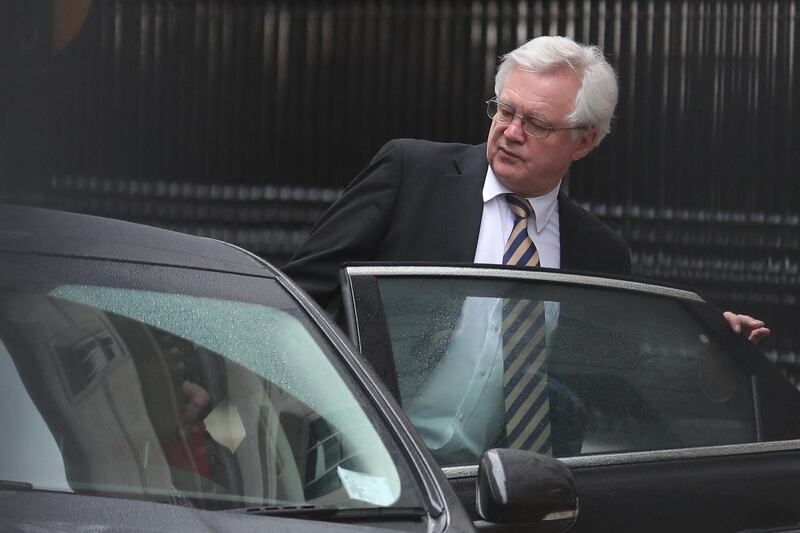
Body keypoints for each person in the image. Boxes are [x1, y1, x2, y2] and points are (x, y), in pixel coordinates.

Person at [282, 35, 768, 343]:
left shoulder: (598, 253)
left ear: (584, 142)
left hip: (516, 490)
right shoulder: (411, 173)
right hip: (382, 467)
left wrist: (704, 344)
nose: (510, 131)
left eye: (536, 123)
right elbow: (297, 293)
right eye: (505, 110)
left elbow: (612, 381)